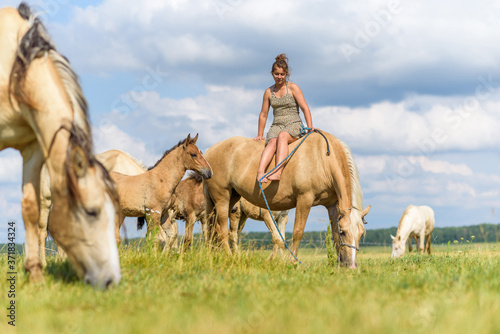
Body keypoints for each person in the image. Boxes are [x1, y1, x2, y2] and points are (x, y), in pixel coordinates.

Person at [254, 54, 315, 183]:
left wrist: (309, 127)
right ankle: (260, 173)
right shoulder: (268, 92)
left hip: (293, 124)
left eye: (282, 74)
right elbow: (263, 114)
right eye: (276, 74)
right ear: (272, 74)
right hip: (276, 125)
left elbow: (305, 108)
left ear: (286, 74)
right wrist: (260, 135)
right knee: (272, 142)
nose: (279, 77)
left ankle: (278, 171)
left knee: (282, 136)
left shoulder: (293, 88)